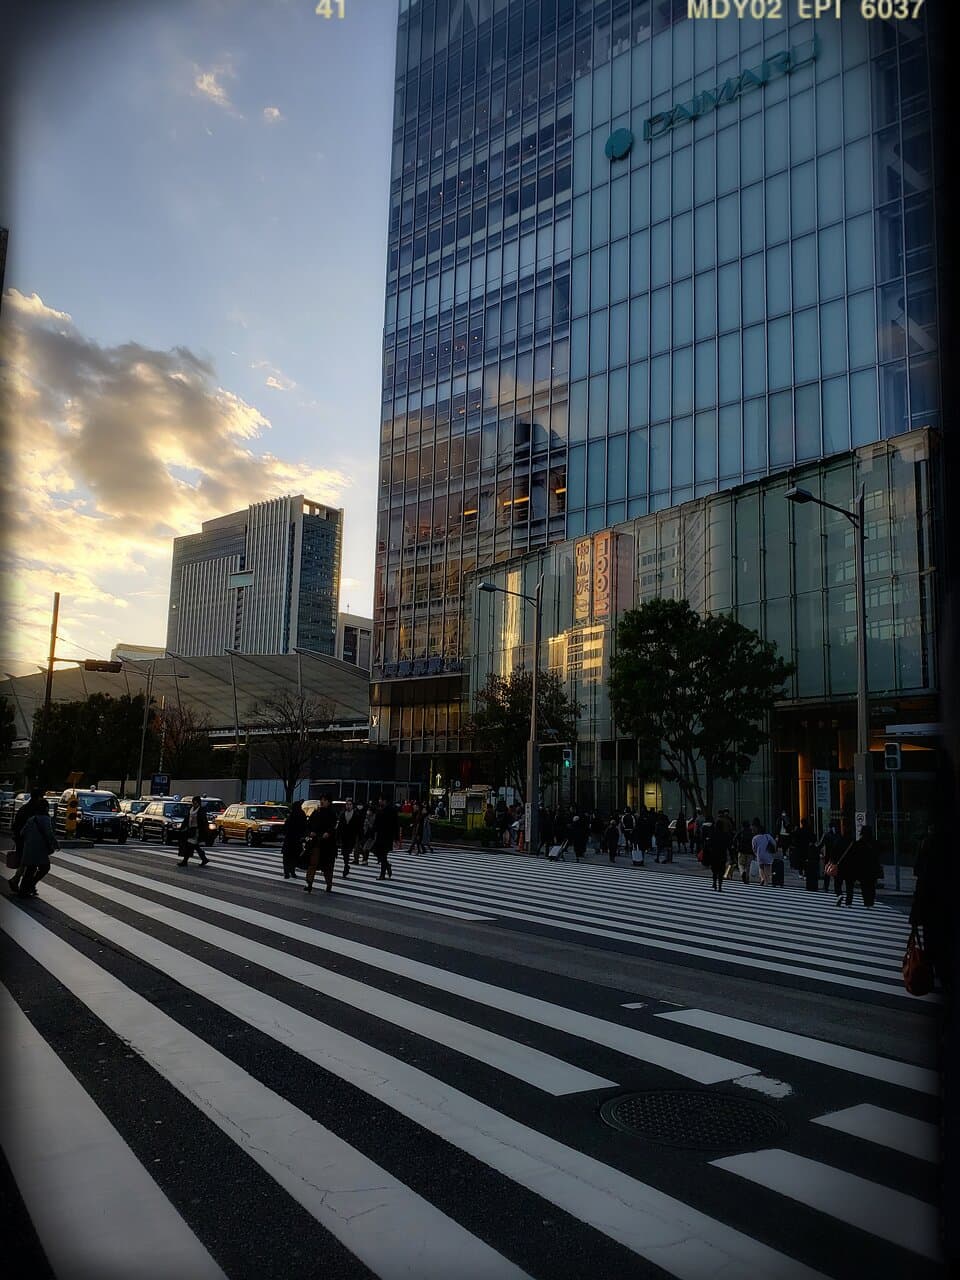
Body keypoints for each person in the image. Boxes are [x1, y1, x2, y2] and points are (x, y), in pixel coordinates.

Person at [910, 822, 949, 992]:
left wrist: (915, 916)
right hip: (938, 910)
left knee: (933, 946)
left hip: (932, 912)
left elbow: (921, 881)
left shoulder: (928, 851)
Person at [15, 797, 59, 898]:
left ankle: (23, 889)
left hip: (28, 848)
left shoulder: (32, 819)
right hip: (39, 849)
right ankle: (30, 885)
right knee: (45, 867)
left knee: (30, 868)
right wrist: (55, 844)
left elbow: (22, 832)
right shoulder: (45, 819)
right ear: (46, 808)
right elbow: (49, 834)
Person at [9, 789, 46, 894]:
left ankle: (19, 882)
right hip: (29, 841)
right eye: (41, 796)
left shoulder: (24, 808)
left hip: (21, 839)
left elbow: (16, 825)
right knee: (30, 864)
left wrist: (16, 836)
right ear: (38, 797)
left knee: (25, 862)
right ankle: (23, 884)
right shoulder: (35, 810)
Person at [838, 824, 881, 908]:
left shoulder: (858, 844)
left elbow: (854, 857)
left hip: (862, 868)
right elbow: (878, 855)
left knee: (864, 886)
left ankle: (865, 901)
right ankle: (870, 902)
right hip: (872, 868)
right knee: (871, 886)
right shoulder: (875, 843)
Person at [304, 794, 338, 892]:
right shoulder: (316, 812)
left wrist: (328, 833)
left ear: (329, 802)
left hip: (328, 844)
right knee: (313, 863)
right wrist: (310, 832)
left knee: (327, 865)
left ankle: (329, 884)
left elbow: (333, 827)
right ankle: (309, 882)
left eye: (325, 800)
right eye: (321, 800)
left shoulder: (332, 813)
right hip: (316, 842)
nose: (322, 802)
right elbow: (308, 824)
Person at [178, 795, 210, 866]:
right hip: (190, 829)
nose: (194, 804)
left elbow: (204, 821)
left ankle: (185, 861)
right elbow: (187, 819)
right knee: (195, 846)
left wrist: (205, 831)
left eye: (195, 803)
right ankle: (204, 859)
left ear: (199, 803)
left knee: (189, 845)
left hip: (197, 830)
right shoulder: (191, 809)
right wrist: (184, 827)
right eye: (193, 802)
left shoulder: (201, 810)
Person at [373, 795, 399, 880]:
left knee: (383, 854)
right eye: (379, 799)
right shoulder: (379, 809)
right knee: (376, 851)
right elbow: (376, 823)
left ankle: (382, 874)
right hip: (379, 835)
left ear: (385, 801)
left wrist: (396, 838)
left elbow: (396, 824)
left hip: (387, 835)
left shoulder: (392, 810)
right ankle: (387, 865)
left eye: (381, 800)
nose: (379, 801)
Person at [281, 799, 307, 879]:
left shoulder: (291, 815)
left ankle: (286, 872)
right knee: (295, 856)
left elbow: (285, 827)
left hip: (289, 839)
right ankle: (292, 871)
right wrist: (303, 836)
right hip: (297, 839)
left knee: (286, 856)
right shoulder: (302, 814)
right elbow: (304, 826)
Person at [818, 820, 844, 894]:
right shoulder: (839, 835)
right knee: (836, 872)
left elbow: (821, 844)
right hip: (837, 857)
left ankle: (826, 887)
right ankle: (837, 888)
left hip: (828, 856)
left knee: (827, 871)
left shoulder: (826, 835)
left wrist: (816, 849)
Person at [792, 816, 818, 890]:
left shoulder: (799, 830)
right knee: (807, 860)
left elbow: (794, 838)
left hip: (800, 848)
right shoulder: (809, 830)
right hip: (807, 848)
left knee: (800, 860)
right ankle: (806, 874)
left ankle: (800, 873)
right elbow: (814, 838)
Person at [337, 798, 362, 875]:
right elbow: (340, 826)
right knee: (345, 852)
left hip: (352, 836)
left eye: (350, 804)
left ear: (352, 806)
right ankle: (346, 865)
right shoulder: (342, 814)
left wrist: (360, 836)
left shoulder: (356, 815)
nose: (348, 806)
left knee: (347, 851)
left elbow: (359, 826)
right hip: (344, 836)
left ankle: (346, 865)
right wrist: (338, 836)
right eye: (347, 804)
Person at [751, 818, 776, 886]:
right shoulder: (768, 836)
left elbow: (754, 848)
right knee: (767, 869)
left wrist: (755, 853)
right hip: (768, 854)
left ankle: (762, 878)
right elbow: (774, 843)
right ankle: (766, 882)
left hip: (759, 855)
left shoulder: (755, 838)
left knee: (761, 868)